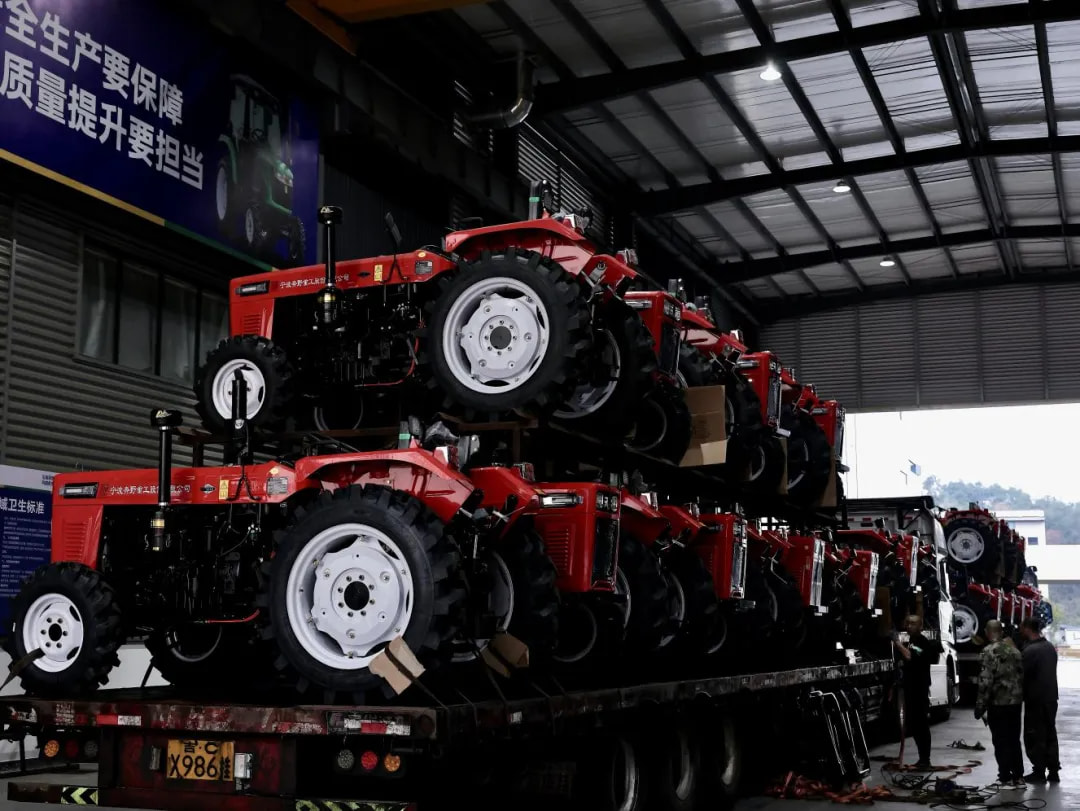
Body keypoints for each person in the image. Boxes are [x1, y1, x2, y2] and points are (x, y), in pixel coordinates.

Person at [975, 620, 1025, 789]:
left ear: (987, 632)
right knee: (1014, 740)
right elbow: (1021, 675)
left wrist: (980, 706)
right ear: (1001, 632)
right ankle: (1019, 777)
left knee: (1000, 741)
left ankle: (1005, 778)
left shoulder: (988, 652)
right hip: (1015, 703)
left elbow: (985, 682)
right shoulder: (1015, 651)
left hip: (998, 704)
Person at [892, 614, 942, 767]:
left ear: (920, 626)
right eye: (907, 623)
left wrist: (897, 643)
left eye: (913, 623)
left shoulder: (921, 641)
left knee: (920, 724)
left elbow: (910, 656)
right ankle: (923, 759)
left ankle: (925, 759)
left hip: (919, 690)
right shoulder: (912, 641)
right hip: (911, 688)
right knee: (914, 725)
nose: (909, 626)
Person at [1020, 617, 1060, 784]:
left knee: (1035, 735)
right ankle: (1053, 771)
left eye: (1022, 628)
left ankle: (1039, 772)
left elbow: (1021, 676)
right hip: (1051, 698)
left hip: (1036, 700)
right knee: (1050, 733)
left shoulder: (1030, 651)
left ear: (1028, 628)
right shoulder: (1049, 647)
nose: (1020, 631)